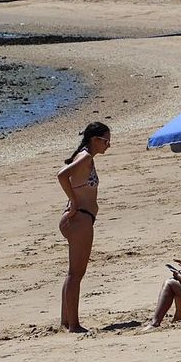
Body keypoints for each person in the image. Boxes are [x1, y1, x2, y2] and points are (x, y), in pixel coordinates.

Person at [57, 122, 112, 332]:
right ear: (95, 140)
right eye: (106, 141)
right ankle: (74, 325)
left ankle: (65, 321)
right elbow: (62, 175)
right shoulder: (86, 157)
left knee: (73, 273)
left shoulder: (85, 156)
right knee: (76, 275)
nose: (109, 145)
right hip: (80, 219)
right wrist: (74, 201)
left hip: (80, 218)